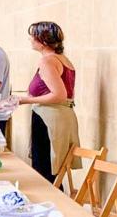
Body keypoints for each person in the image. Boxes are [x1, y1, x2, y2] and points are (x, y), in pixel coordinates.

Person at [16, 21, 81, 183]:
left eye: (33, 36)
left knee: (44, 169)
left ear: (43, 40)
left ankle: (52, 205)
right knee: (52, 171)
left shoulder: (48, 61)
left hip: (49, 117)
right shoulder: (63, 59)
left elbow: (59, 95)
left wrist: (25, 100)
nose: (30, 39)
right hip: (61, 115)